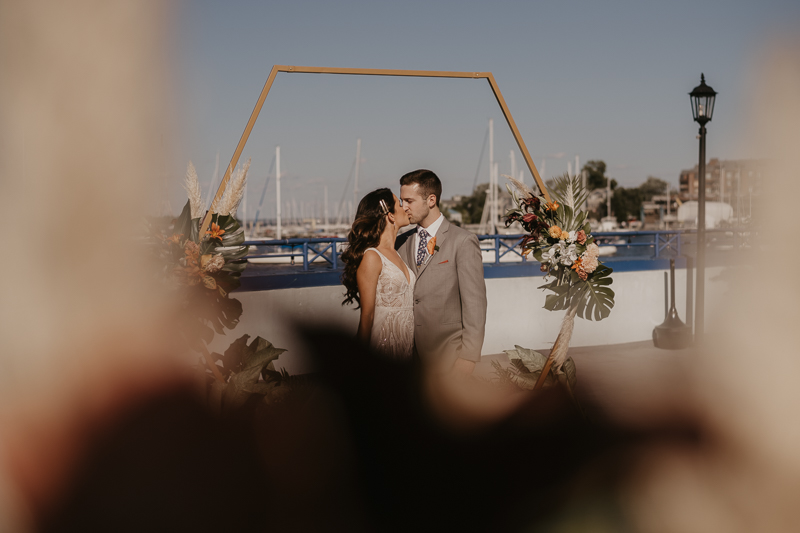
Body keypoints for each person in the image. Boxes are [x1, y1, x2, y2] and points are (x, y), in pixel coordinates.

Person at [396, 169, 487, 375]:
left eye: (409, 200)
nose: (404, 207)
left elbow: (475, 305)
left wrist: (468, 358)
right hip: (407, 358)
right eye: (402, 201)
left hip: (449, 356)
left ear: (431, 200)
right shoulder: (401, 242)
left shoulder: (462, 241)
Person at [341, 188, 415, 358]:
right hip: (383, 347)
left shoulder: (398, 253)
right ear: (390, 215)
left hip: (407, 348)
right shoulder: (372, 256)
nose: (405, 207)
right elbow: (367, 315)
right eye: (399, 203)